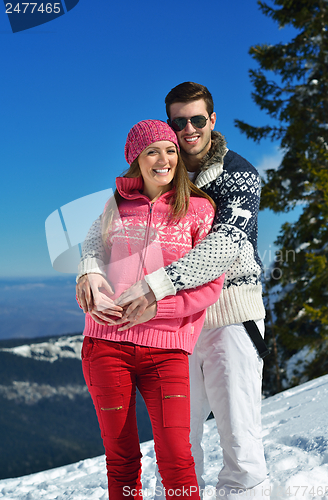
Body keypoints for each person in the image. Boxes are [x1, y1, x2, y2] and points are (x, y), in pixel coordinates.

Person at [77, 82, 268, 500]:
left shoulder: (237, 173)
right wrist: (88, 270)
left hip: (228, 316)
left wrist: (153, 289)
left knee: (239, 439)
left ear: (212, 121)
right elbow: (99, 234)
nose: (188, 129)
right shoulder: (162, 175)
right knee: (183, 446)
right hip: (174, 331)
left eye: (197, 119)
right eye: (178, 122)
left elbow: (223, 248)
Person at [78, 119, 224, 500]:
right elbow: (92, 248)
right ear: (136, 160)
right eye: (152, 151)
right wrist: (88, 273)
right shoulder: (116, 205)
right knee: (121, 459)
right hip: (106, 345)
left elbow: (210, 286)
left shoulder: (198, 209)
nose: (164, 159)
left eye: (171, 149)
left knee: (177, 456)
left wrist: (155, 310)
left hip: (168, 349)